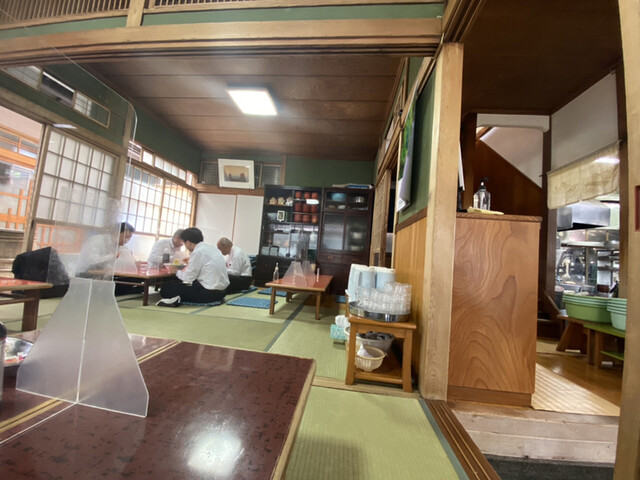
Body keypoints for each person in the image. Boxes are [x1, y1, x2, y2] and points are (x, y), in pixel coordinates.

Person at [159, 227, 229, 305]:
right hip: (223, 292)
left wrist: (176, 271)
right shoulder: (213, 249)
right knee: (182, 286)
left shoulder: (197, 252)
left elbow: (188, 278)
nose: (185, 246)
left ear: (188, 242)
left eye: (184, 243)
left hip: (208, 294)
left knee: (165, 290)